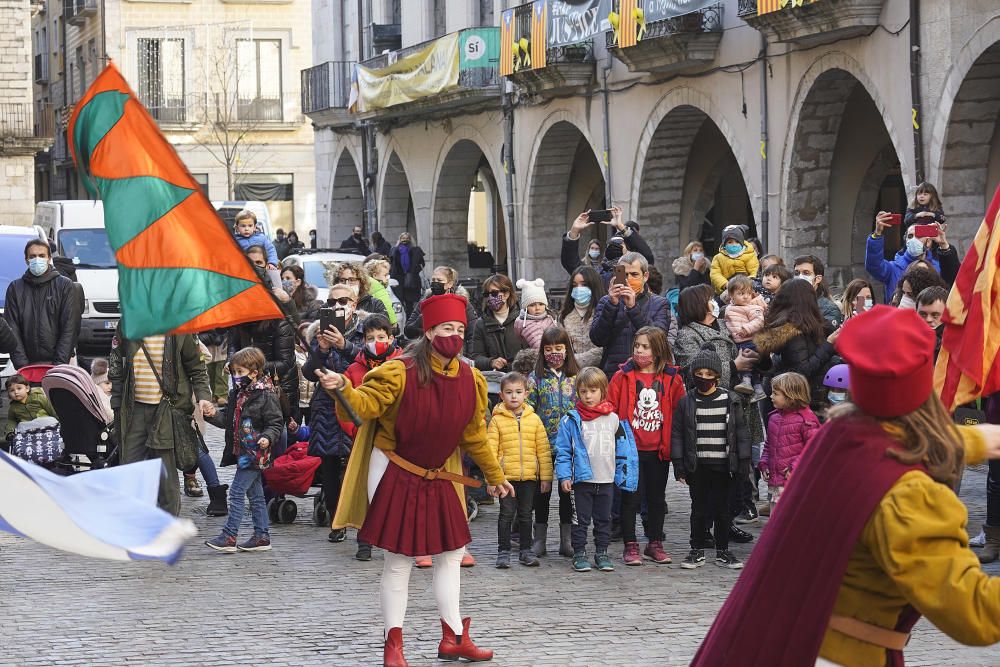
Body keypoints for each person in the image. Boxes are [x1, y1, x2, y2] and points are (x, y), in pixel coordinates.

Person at [692, 305, 1000, 666]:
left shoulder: (839, 436)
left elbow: (895, 448)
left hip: (780, 640)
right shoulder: (911, 496)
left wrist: (973, 441)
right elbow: (975, 615)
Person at [323, 293, 512, 666]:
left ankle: (453, 637)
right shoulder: (398, 371)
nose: (454, 336)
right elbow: (363, 407)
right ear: (429, 332)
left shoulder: (471, 378)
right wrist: (342, 388)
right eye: (446, 328)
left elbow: (474, 433)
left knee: (451, 555)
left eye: (459, 329)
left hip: (441, 473)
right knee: (399, 559)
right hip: (396, 467)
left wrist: (494, 475)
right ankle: (393, 645)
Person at [109, 329, 214, 516]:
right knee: (129, 469)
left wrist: (203, 396)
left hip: (167, 409)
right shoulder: (127, 322)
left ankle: (167, 526)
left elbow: (197, 367)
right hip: (133, 409)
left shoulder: (181, 327)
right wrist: (117, 403)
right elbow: (116, 363)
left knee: (165, 472)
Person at [608, 326, 685, 566]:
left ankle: (654, 543)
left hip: (658, 449)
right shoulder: (622, 376)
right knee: (630, 497)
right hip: (630, 449)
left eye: (645, 346)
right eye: (637, 346)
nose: (639, 351)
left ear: (658, 349)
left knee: (656, 498)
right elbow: (610, 406)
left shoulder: (672, 378)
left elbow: (680, 411)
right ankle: (631, 545)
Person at [672, 344, 751, 570]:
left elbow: (741, 434)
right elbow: (677, 434)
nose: (703, 378)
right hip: (698, 466)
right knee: (698, 509)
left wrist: (743, 464)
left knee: (723, 510)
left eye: (708, 374)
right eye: (699, 374)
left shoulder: (730, 400)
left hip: (724, 466)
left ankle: (723, 550)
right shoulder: (687, 401)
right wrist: (679, 465)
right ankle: (696, 548)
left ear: (717, 376)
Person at [554, 366, 638, 573]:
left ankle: (602, 552)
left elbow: (623, 450)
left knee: (603, 519)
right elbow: (563, 451)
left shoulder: (613, 419)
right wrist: (565, 475)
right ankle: (579, 553)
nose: (588, 396)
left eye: (592, 391)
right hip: (581, 481)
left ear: (602, 391)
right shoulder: (571, 420)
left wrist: (624, 476)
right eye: (583, 391)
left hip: (606, 480)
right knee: (580, 520)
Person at [302, 283, 368, 544]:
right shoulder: (320, 331)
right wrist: (322, 349)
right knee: (329, 466)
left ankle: (363, 521)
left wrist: (344, 345)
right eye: (331, 301)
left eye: (343, 300)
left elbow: (369, 361)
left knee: (358, 464)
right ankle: (336, 520)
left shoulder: (364, 330)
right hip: (327, 408)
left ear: (354, 304)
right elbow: (309, 373)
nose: (337, 305)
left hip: (356, 404)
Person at [204, 347, 284, 553]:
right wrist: (212, 414)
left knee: (237, 492)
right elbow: (229, 422)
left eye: (241, 372)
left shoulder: (266, 394)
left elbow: (275, 422)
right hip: (243, 451)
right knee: (255, 495)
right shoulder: (237, 394)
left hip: (255, 452)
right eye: (235, 372)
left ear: (254, 372)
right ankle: (262, 536)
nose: (237, 377)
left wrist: (267, 437)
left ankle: (229, 536)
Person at [339, 313, 403, 561]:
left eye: (381, 337)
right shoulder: (354, 370)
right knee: (366, 488)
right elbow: (345, 407)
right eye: (370, 337)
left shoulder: (402, 366)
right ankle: (365, 540)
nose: (375, 341)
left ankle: (396, 537)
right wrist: (357, 432)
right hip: (366, 440)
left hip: (397, 440)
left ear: (391, 338)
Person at [489, 371, 552, 568]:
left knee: (526, 514)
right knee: (506, 515)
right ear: (501, 395)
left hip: (528, 478)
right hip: (505, 478)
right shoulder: (497, 420)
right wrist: (492, 479)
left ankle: (526, 550)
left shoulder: (534, 420)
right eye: (509, 392)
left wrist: (546, 477)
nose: (513, 396)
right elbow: (490, 451)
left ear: (526, 393)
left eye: (518, 392)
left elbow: (543, 449)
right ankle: (503, 551)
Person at [527, 326, 580, 558]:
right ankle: (539, 539)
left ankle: (566, 539)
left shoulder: (576, 378)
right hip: (544, 445)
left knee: (567, 492)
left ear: (567, 350)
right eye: (549, 349)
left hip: (570, 446)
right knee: (542, 493)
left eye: (559, 348)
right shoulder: (535, 378)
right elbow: (528, 408)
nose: (554, 354)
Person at [754, 279, 839, 411]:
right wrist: (828, 345)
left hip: (795, 399)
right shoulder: (793, 330)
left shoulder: (808, 325)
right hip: (793, 403)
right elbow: (801, 372)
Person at [590, 252, 675, 377]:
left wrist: (633, 308)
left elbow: (658, 340)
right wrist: (611, 304)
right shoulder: (606, 301)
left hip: (648, 374)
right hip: (614, 374)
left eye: (634, 274)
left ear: (645, 276)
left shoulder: (660, 303)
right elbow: (597, 339)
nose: (628, 279)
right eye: (624, 275)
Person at [5, 239, 81, 368]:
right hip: (26, 367)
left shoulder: (65, 286)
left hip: (58, 366)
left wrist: (58, 365)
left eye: (41, 256)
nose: (37, 259)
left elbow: (69, 328)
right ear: (26, 260)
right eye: (32, 256)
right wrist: (22, 365)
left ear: (49, 258)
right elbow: (12, 328)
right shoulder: (15, 288)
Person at [673, 284, 758, 393]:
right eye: (710, 299)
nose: (715, 302)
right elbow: (692, 372)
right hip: (712, 401)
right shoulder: (686, 335)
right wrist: (733, 366)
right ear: (698, 305)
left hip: (743, 397)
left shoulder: (727, 322)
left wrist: (756, 356)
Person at [759, 372, 820, 513]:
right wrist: (764, 463)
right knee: (775, 519)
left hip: (796, 482)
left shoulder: (806, 419)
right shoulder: (774, 418)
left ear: (790, 395)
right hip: (776, 482)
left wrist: (794, 466)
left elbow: (814, 448)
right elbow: (769, 445)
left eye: (775, 393)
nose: (771, 396)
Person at [867, 212, 959, 299]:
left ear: (928, 242)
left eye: (919, 236)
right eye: (910, 236)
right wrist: (877, 234)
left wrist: (943, 244)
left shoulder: (938, 269)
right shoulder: (894, 268)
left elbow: (955, 278)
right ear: (906, 241)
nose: (913, 239)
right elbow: (874, 266)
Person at [561, 207, 655, 281]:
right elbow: (571, 264)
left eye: (620, 244)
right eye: (613, 244)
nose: (616, 247)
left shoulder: (634, 273)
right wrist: (574, 231)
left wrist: (621, 227)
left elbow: (647, 257)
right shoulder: (597, 276)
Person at [404, 266, 477, 343]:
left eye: (439, 280)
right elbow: (408, 331)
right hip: (428, 349)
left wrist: (467, 353)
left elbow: (473, 333)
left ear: (449, 284)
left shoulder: (462, 304)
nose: (435, 283)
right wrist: (422, 319)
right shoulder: (424, 303)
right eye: (433, 280)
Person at [469, 274, 526, 373]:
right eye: (487, 294)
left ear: (506, 294)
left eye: (494, 293)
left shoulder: (523, 320)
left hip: (521, 376)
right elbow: (476, 357)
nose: (490, 297)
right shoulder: (481, 324)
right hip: (496, 379)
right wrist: (491, 362)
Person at [722, 275, 767, 398]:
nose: (746, 296)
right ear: (731, 295)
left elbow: (759, 321)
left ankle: (746, 382)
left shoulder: (753, 307)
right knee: (750, 366)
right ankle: (758, 390)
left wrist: (746, 329)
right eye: (741, 293)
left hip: (749, 340)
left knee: (746, 360)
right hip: (737, 341)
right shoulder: (730, 307)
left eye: (748, 293)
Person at [559, 267, 606, 369]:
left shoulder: (604, 312)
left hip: (600, 373)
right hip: (572, 375)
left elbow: (604, 348)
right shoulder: (565, 316)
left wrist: (575, 360)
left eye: (584, 285)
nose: (579, 289)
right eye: (575, 285)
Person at [791, 255, 844, 330]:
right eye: (797, 273)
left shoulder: (829, 309)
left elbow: (823, 335)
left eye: (806, 273)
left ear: (818, 279)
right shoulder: (785, 301)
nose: (800, 277)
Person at [709, 225, 759, 294]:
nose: (734, 244)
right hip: (727, 290)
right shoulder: (718, 258)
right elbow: (715, 274)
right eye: (730, 242)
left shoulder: (750, 254)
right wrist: (725, 284)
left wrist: (749, 282)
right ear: (724, 244)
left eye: (737, 242)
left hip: (747, 288)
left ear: (742, 243)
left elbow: (754, 270)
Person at [4, 373, 56, 440]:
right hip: (28, 429)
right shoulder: (13, 407)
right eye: (12, 390)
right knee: (20, 427)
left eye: (19, 388)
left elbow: (52, 410)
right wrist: (9, 432)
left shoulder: (38, 397)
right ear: (8, 394)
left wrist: (62, 422)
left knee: (51, 420)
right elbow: (11, 421)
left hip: (45, 425)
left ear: (27, 389)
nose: (16, 392)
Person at [389, 232, 425, 317]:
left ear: (410, 239)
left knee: (410, 302)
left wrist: (414, 271)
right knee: (399, 301)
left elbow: (422, 264)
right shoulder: (394, 250)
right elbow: (391, 263)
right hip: (398, 279)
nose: (405, 240)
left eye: (407, 238)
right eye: (403, 238)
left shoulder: (416, 250)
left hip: (411, 279)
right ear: (399, 239)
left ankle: (409, 319)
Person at [514, 279, 556, 349]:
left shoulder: (551, 319)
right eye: (532, 305)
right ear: (526, 307)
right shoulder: (522, 324)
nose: (537, 308)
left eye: (541, 304)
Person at [363, 258, 398, 330]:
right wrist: (394, 324)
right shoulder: (379, 288)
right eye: (385, 275)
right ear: (375, 275)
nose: (388, 278)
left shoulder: (365, 286)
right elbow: (387, 307)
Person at [916, 286, 948, 360]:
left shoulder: (953, 347)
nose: (928, 319)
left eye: (935, 315)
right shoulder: (905, 339)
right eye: (923, 314)